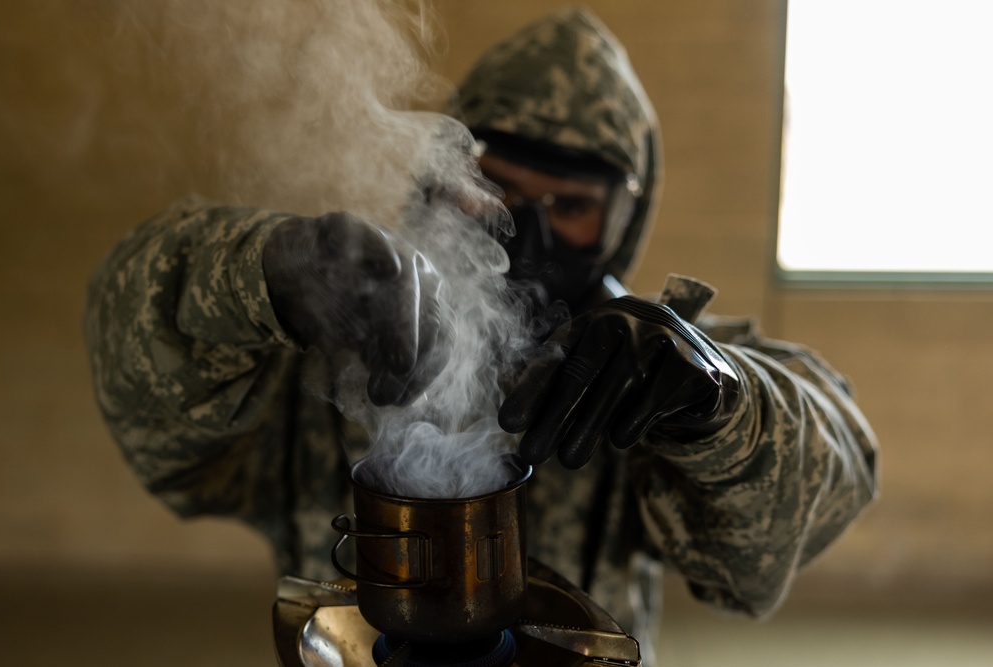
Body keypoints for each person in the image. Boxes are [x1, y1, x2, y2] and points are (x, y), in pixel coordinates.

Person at [85, 6, 877, 655]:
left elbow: (829, 468)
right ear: (440, 181)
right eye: (491, 189)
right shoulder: (323, 353)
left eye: (569, 205)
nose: (523, 233)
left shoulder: (641, 378)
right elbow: (136, 349)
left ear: (620, 225)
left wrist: (720, 401)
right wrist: (259, 274)